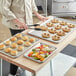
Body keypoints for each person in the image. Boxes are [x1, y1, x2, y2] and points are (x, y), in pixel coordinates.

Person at [1, 0, 48, 76]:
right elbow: (4, 8)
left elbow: (31, 2)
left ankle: (18, 67)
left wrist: (38, 15)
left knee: (25, 46)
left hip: (27, 21)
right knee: (17, 49)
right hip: (15, 23)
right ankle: (12, 73)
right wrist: (17, 21)